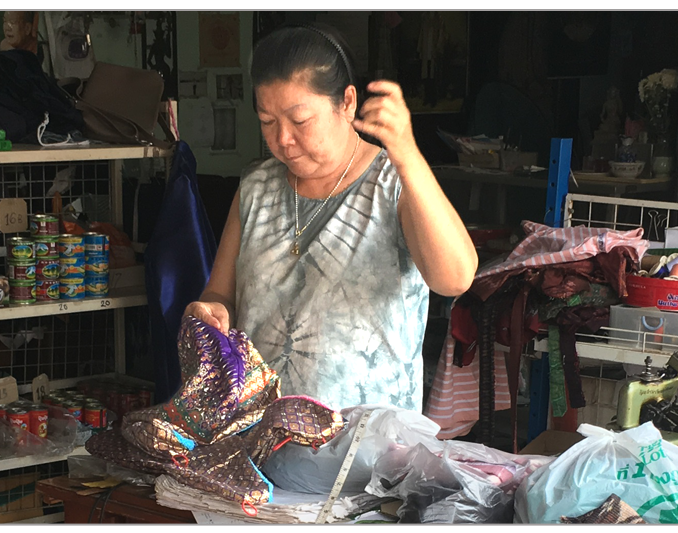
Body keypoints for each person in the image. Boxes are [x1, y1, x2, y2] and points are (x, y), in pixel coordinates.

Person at [184, 23, 477, 413]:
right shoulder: (256, 187)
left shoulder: (395, 182)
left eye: (300, 120)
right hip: (259, 443)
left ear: (347, 102)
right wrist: (213, 313)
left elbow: (454, 278)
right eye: (267, 121)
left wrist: (407, 152)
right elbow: (221, 294)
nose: (283, 139)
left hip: (367, 455)